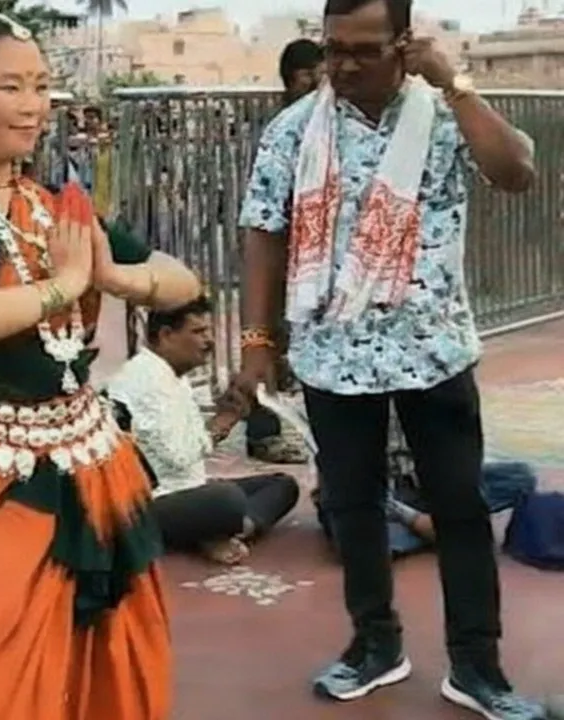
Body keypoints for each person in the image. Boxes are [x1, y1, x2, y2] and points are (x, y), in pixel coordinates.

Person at [0, 6, 203, 718]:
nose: (34, 106)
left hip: (87, 464)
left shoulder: (60, 206)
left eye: (41, 86)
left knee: (107, 651)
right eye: (12, 87)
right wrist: (60, 285)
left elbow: (182, 280)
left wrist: (111, 276)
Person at [233, 0, 539, 715]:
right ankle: (375, 646)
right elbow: (262, 231)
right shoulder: (296, 129)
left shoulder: (440, 116)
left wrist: (455, 84)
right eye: (331, 47)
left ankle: (476, 666)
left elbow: (516, 171)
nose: (340, 64)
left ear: (404, 45)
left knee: (460, 508)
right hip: (333, 353)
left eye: (362, 50)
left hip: (433, 350)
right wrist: (256, 342)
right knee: (354, 505)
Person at [107, 297, 300, 566]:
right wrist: (222, 421)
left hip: (187, 490)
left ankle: (217, 532)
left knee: (282, 485)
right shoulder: (146, 380)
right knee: (225, 499)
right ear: (166, 335)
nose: (209, 341)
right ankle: (212, 530)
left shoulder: (174, 375)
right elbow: (178, 458)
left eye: (209, 331)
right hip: (148, 502)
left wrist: (226, 419)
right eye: (198, 332)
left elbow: (190, 454)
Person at [242, 37, 327, 465]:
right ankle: (263, 433)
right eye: (310, 76)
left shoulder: (326, 124)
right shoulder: (286, 130)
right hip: (286, 259)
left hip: (310, 265)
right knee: (266, 343)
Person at [314, 405, 538, 557]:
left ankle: (443, 530)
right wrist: (415, 520)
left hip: (425, 485)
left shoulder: (428, 387)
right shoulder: (346, 399)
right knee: (361, 544)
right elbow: (351, 480)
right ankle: (446, 531)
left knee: (520, 476)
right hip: (376, 498)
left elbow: (455, 452)